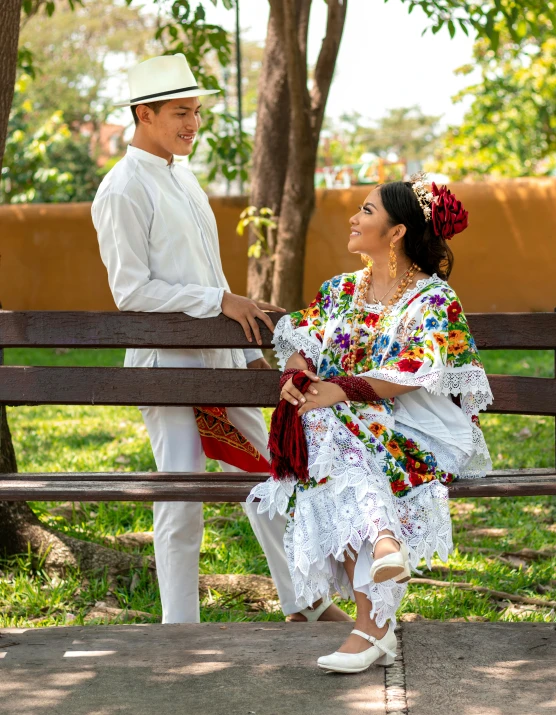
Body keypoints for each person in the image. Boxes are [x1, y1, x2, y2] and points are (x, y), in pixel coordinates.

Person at [91, 53, 350, 625]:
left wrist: (247, 351)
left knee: (270, 476)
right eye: (181, 112)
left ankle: (306, 604)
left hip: (222, 358)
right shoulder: (122, 189)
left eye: (197, 112)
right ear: (144, 114)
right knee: (181, 497)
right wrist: (219, 304)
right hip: (167, 368)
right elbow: (131, 291)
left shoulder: (183, 178)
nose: (192, 124)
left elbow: (212, 278)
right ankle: (179, 628)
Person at [248, 174, 493, 673]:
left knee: (323, 431)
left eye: (366, 211)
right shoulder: (339, 291)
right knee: (322, 426)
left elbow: (417, 372)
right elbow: (299, 341)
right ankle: (380, 571)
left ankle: (375, 613)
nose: (353, 219)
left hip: (413, 435)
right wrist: (299, 375)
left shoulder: (432, 299)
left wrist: (341, 389)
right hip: (344, 430)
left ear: (397, 231)